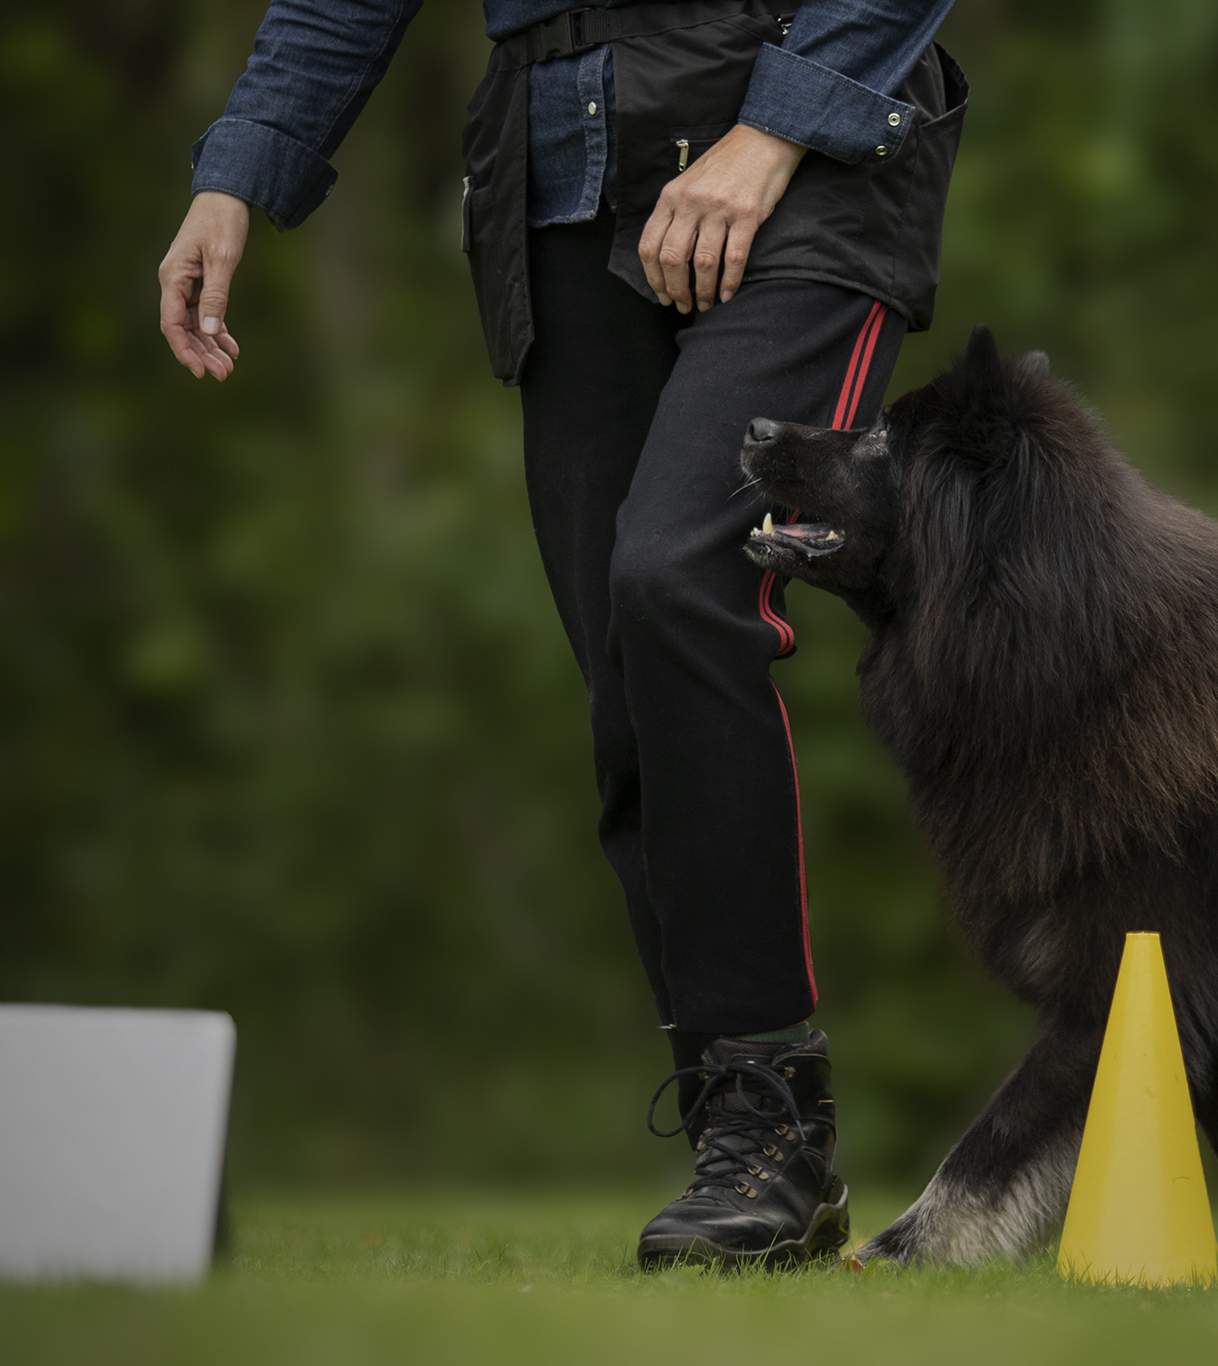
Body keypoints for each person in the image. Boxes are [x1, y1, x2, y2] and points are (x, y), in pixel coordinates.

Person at [157, 0, 965, 1268]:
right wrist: (237, 171)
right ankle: (740, 1149)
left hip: (802, 155)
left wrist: (776, 126)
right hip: (560, 167)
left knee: (674, 575)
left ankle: (771, 1117)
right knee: (624, 669)